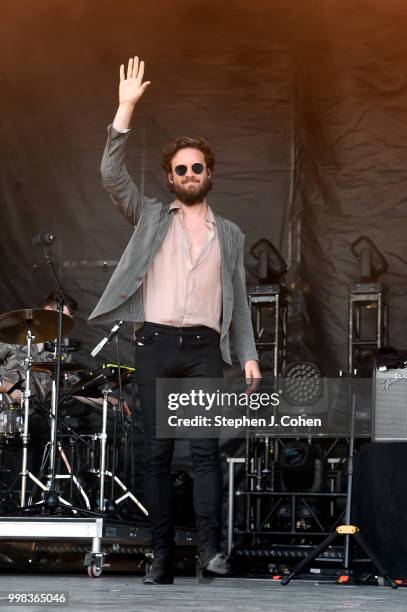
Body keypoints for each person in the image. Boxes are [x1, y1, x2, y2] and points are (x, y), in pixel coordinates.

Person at [89, 56, 261, 584]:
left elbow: (238, 296)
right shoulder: (150, 217)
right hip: (158, 344)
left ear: (209, 174)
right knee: (157, 454)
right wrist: (125, 110)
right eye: (181, 169)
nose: (189, 174)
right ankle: (161, 557)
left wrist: (249, 354)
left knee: (206, 453)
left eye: (197, 167)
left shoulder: (228, 233)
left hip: (205, 349)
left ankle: (210, 552)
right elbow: (110, 176)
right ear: (170, 178)